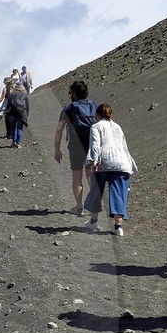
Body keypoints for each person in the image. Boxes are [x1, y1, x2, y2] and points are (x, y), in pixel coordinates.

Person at [83, 104, 136, 234]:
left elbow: (95, 144)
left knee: (96, 189)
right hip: (122, 162)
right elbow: (124, 146)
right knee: (118, 192)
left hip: (104, 159)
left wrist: (94, 161)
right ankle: (118, 227)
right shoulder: (117, 126)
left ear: (97, 115)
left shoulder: (96, 126)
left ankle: (93, 222)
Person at [53, 80, 98, 215]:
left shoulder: (69, 108)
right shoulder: (94, 105)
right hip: (91, 144)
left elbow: (59, 129)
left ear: (73, 93)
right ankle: (94, 207)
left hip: (75, 146)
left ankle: (79, 208)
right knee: (90, 175)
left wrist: (57, 148)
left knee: (77, 177)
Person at [3, 74, 30, 147]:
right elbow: (27, 107)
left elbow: (8, 105)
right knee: (19, 128)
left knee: (12, 128)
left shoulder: (12, 95)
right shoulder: (25, 96)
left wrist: (6, 113)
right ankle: (19, 143)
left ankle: (13, 142)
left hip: (12, 113)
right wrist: (26, 115)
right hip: (21, 113)